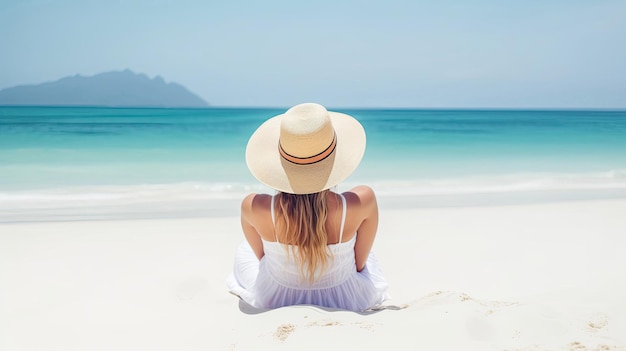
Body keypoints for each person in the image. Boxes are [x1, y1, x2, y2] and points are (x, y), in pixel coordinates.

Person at [227, 102, 389, 312]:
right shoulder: (362, 202)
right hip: (344, 297)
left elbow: (263, 259)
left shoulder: (253, 206)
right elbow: (359, 265)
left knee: (244, 250)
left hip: (276, 297)